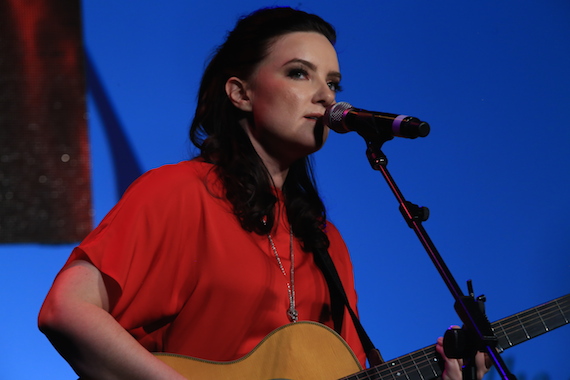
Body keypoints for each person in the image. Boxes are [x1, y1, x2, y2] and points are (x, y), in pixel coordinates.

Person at [38, 6, 489, 380]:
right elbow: (66, 309)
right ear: (240, 93)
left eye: (333, 83)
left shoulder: (326, 245)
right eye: (299, 74)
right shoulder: (179, 193)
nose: (326, 98)